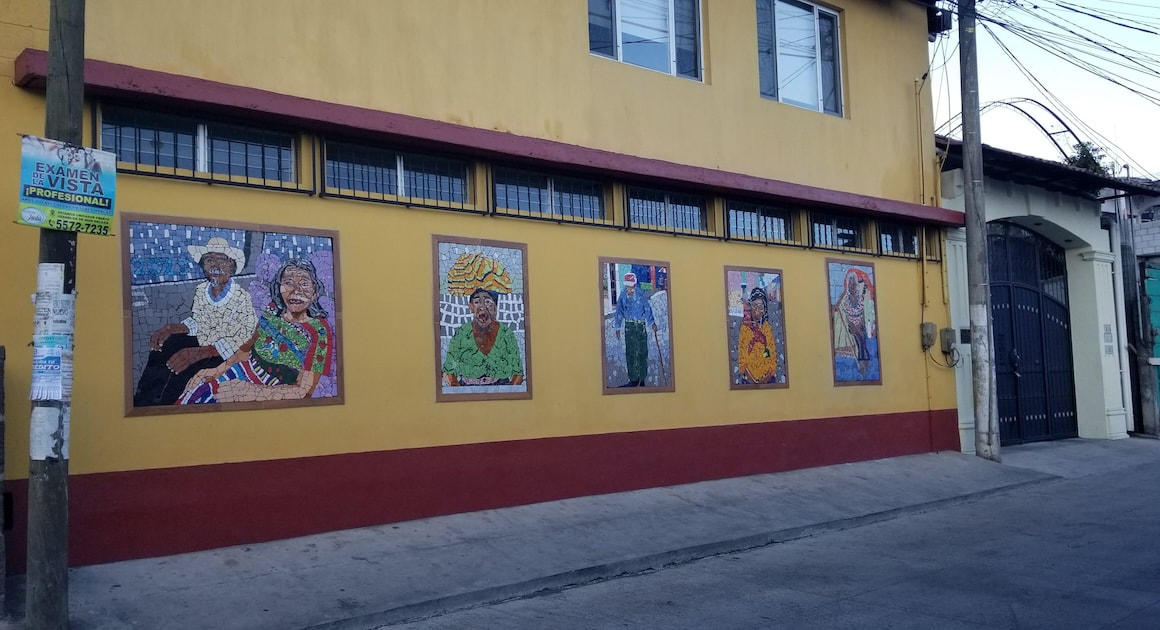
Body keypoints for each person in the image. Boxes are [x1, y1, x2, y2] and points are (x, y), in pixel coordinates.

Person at [179, 259, 335, 403]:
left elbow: (303, 391)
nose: (296, 290)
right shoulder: (273, 310)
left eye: (304, 284)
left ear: (314, 292)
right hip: (241, 371)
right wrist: (216, 370)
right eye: (288, 282)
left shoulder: (319, 331)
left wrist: (251, 392)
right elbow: (247, 349)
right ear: (279, 288)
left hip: (274, 391)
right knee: (195, 395)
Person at [133, 237, 258, 406]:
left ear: (232, 267)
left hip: (224, 353)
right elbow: (200, 321)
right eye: (209, 260)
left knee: (183, 369)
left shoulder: (241, 298)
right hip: (204, 341)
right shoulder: (202, 290)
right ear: (203, 266)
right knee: (166, 345)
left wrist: (202, 352)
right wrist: (174, 328)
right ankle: (143, 402)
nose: (216, 266)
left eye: (222, 260)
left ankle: (166, 407)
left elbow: (244, 338)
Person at [442, 287, 525, 386]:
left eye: (488, 301)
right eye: (477, 302)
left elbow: (518, 373)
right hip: (467, 388)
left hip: (501, 387)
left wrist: (508, 394)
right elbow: (448, 371)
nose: (482, 306)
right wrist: (459, 391)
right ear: (471, 307)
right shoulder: (462, 333)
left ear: (495, 308)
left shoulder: (506, 333)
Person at [613, 272, 657, 387]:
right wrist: (617, 327)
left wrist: (652, 322)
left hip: (641, 326)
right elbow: (619, 311)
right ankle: (633, 378)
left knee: (642, 352)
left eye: (631, 287)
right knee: (631, 352)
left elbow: (647, 309)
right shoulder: (623, 295)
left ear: (635, 285)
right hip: (629, 326)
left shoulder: (640, 294)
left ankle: (642, 378)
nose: (630, 289)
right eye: (628, 287)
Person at [832, 270, 875, 377]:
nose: (852, 286)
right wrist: (856, 327)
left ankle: (864, 362)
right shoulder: (846, 298)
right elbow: (845, 314)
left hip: (860, 323)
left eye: (853, 283)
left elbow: (862, 311)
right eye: (850, 283)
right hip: (851, 325)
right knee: (860, 341)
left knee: (862, 339)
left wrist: (860, 325)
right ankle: (862, 363)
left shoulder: (859, 296)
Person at [737, 287, 779, 384]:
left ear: (764, 311)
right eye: (754, 305)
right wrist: (754, 381)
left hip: (767, 379)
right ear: (750, 307)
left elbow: (770, 355)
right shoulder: (745, 329)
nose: (757, 310)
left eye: (760, 307)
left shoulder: (766, 328)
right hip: (748, 380)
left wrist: (764, 380)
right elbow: (742, 359)